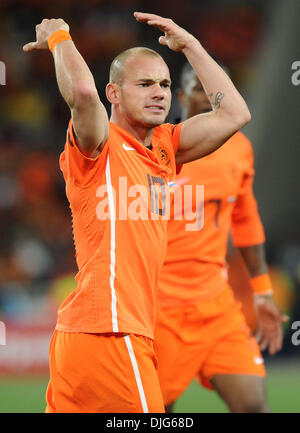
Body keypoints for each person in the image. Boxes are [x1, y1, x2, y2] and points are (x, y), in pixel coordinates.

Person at [23, 13, 251, 413]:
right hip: (111, 330)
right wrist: (60, 36)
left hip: (94, 334)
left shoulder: (165, 149)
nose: (159, 93)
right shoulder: (97, 144)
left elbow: (235, 114)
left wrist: (191, 46)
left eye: (164, 84)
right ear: (113, 93)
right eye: (144, 84)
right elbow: (81, 91)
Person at [154, 62, 289, 413]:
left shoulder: (240, 148)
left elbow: (245, 219)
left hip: (217, 307)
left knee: (254, 406)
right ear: (181, 97)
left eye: (217, 86)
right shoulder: (156, 151)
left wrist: (262, 292)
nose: (212, 94)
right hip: (159, 310)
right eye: (199, 87)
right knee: (154, 412)